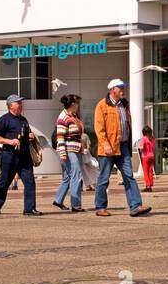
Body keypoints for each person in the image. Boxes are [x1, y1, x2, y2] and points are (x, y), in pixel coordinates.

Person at [93, 79, 151, 218]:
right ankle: (100, 207)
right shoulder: (102, 105)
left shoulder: (124, 105)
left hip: (123, 146)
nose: (123, 90)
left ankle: (135, 206)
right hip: (108, 148)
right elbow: (99, 128)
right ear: (112, 89)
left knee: (129, 176)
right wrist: (105, 144)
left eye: (123, 87)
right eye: (120, 88)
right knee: (104, 178)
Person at [0, 95, 41, 216]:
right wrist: (9, 141)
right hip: (9, 155)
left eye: (21, 103)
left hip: (24, 155)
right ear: (10, 105)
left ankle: (29, 209)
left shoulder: (23, 120)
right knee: (5, 181)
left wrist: (30, 136)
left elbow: (26, 134)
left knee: (30, 182)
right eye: (18, 103)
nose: (21, 105)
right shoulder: (4, 119)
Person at [51, 94, 85, 212]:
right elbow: (60, 137)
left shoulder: (74, 116)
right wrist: (62, 153)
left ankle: (58, 200)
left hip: (75, 150)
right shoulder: (63, 117)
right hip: (69, 150)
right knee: (76, 175)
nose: (78, 105)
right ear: (72, 104)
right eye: (77, 103)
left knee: (67, 177)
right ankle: (76, 205)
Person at [137, 126, 157, 192]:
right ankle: (150, 184)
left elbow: (142, 147)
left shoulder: (144, 138)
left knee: (145, 171)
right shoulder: (153, 139)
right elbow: (154, 148)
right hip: (151, 156)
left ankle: (147, 185)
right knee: (150, 170)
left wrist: (139, 146)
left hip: (145, 156)